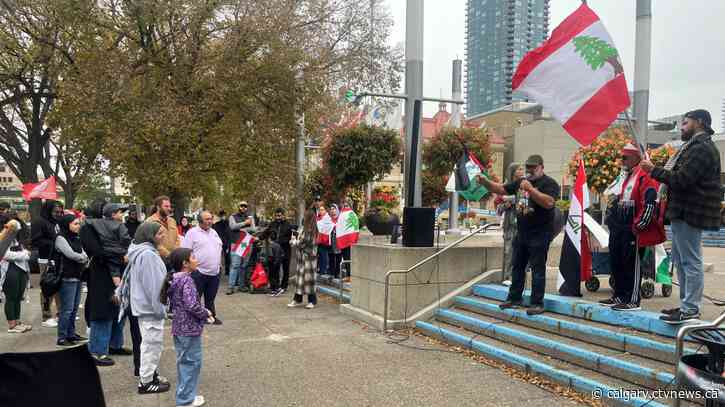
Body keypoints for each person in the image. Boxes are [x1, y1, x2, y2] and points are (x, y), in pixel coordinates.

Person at [641, 109, 722, 323]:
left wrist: (653, 170)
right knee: (681, 261)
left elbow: (682, 179)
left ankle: (691, 309)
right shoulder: (692, 147)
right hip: (683, 211)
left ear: (700, 122)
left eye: (686, 123)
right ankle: (686, 305)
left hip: (690, 212)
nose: (682, 127)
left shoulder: (702, 148)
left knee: (690, 262)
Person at [478, 154, 560, 316]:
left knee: (537, 268)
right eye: (527, 167)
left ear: (541, 167)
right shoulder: (520, 182)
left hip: (540, 232)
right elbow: (501, 189)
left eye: (533, 168)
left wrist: (530, 189)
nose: (529, 170)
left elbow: (549, 202)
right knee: (517, 266)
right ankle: (514, 298)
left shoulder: (549, 183)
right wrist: (485, 182)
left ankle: (537, 303)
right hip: (522, 232)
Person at [600, 144, 664, 311]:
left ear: (637, 158)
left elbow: (650, 202)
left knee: (631, 264)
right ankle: (619, 295)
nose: (622, 161)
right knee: (617, 261)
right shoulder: (626, 176)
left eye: (625, 157)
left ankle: (633, 300)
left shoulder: (645, 176)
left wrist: (638, 226)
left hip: (632, 227)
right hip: (619, 226)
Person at [117, 222, 170, 394]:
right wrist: (161, 310)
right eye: (160, 233)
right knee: (151, 345)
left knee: (149, 344)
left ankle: (150, 375)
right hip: (150, 309)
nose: (163, 235)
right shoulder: (148, 255)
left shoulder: (141, 251)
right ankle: (146, 383)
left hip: (145, 307)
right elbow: (154, 288)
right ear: (149, 236)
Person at [160, 248, 211, 407]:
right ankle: (185, 400)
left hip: (179, 328)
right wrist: (205, 312)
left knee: (185, 363)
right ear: (185, 263)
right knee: (191, 363)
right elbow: (192, 305)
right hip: (188, 329)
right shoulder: (187, 280)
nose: (196, 259)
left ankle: (186, 396)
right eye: (193, 257)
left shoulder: (175, 278)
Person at [81, 199, 128, 367]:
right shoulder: (88, 228)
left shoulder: (118, 227)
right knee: (102, 311)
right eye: (118, 212)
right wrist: (118, 254)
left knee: (118, 310)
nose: (121, 215)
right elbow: (96, 252)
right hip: (101, 274)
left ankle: (114, 345)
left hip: (118, 271)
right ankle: (97, 351)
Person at [182, 211, 223, 325]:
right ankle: (194, 318)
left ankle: (211, 316)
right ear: (200, 220)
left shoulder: (214, 232)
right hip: (199, 272)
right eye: (207, 219)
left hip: (214, 272)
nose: (210, 221)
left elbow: (219, 248)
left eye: (211, 219)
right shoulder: (192, 233)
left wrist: (219, 264)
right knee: (195, 298)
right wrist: (190, 269)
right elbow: (185, 251)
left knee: (210, 298)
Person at [54, 214, 89, 346]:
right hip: (67, 277)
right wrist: (82, 258)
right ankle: (62, 337)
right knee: (67, 309)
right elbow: (71, 254)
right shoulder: (61, 238)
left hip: (78, 276)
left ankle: (71, 334)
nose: (78, 226)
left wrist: (82, 257)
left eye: (78, 223)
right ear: (67, 224)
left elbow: (84, 253)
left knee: (74, 309)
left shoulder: (76, 237)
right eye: (75, 224)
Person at [32, 199, 64, 328]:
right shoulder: (40, 222)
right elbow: (35, 241)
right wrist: (54, 243)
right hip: (46, 259)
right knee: (47, 287)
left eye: (60, 211)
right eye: (56, 211)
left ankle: (60, 313)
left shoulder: (56, 222)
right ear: (48, 210)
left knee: (58, 287)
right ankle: (46, 316)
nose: (58, 214)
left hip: (58, 259)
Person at [1, 218, 32, 333]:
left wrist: (23, 254)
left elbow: (26, 252)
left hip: (20, 268)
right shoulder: (3, 238)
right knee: (11, 297)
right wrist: (23, 254)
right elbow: (5, 254)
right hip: (9, 270)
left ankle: (17, 321)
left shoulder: (16, 239)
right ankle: (12, 324)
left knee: (18, 297)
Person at [496, 163, 525, 283]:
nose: (522, 171)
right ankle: (507, 277)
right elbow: (498, 209)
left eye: (522, 168)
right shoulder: (505, 187)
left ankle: (519, 278)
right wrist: (506, 205)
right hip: (510, 225)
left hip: (523, 224)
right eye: (519, 169)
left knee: (522, 252)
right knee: (509, 251)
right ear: (512, 172)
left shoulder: (525, 186)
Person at [288, 207, 318, 309]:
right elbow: (299, 240)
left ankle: (312, 301)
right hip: (302, 259)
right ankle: (297, 299)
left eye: (305, 216)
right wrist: (294, 239)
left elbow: (305, 242)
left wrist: (295, 242)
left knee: (309, 280)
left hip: (309, 258)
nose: (303, 218)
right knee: (300, 280)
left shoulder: (311, 229)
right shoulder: (303, 228)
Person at [228, 201, 255, 294]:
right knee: (235, 265)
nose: (243, 208)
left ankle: (241, 286)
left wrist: (241, 228)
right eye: (241, 206)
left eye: (245, 206)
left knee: (244, 266)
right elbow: (232, 227)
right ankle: (231, 287)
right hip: (236, 243)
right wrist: (245, 223)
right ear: (238, 207)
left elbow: (253, 229)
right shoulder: (232, 216)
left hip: (246, 243)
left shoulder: (250, 217)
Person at [269, 208, 294, 295]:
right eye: (276, 215)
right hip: (276, 251)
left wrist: (280, 241)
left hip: (285, 249)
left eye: (279, 215)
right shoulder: (272, 224)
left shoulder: (288, 225)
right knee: (275, 268)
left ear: (283, 215)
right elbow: (266, 232)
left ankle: (284, 286)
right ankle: (276, 286)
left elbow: (291, 237)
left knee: (286, 268)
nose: (278, 217)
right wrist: (259, 237)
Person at [212, 210, 231, 275]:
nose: (223, 217)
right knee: (218, 257)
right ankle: (218, 270)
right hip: (219, 243)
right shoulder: (216, 225)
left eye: (224, 215)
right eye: (222, 215)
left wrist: (229, 244)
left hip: (226, 242)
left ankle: (227, 270)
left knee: (227, 257)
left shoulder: (228, 223)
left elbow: (229, 233)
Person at [328, 204, 342, 279]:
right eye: (331, 209)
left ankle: (337, 273)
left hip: (338, 240)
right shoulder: (328, 220)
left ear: (337, 210)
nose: (332, 210)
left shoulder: (340, 219)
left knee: (338, 257)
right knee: (331, 257)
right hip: (330, 240)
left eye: (334, 209)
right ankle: (332, 273)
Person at [316, 206, 331, 276]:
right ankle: (320, 269)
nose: (320, 211)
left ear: (325, 211)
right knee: (320, 255)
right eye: (319, 210)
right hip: (319, 240)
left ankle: (323, 270)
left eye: (322, 210)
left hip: (325, 240)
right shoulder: (318, 218)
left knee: (324, 255)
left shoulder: (327, 218)